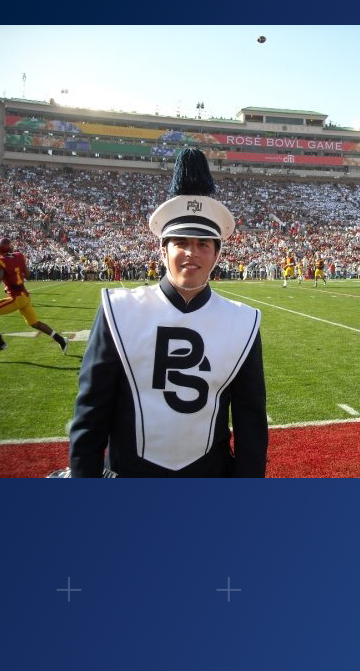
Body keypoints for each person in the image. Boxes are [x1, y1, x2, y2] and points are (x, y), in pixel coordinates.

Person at [68, 148, 267, 477]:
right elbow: (90, 414)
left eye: (204, 244)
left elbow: (250, 423)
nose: (192, 253)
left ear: (218, 254)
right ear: (163, 250)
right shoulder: (119, 311)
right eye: (181, 243)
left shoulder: (243, 322)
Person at [0, 237, 70, 355]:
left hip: (16, 298)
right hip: (25, 296)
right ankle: (61, 340)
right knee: (35, 323)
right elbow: (28, 274)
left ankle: (0, 342)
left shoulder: (0, 261)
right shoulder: (19, 256)